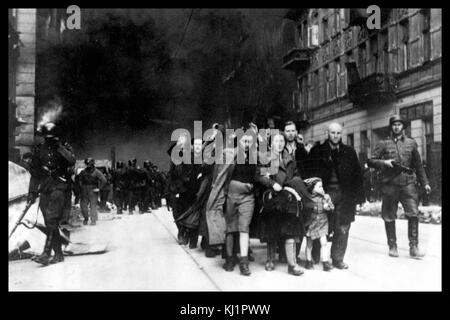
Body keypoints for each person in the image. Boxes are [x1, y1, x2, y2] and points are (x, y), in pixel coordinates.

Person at [367, 115, 431, 258]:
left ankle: (414, 247)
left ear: (403, 127)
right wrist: (384, 163)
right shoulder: (384, 143)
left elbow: (418, 165)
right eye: (394, 124)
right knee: (389, 215)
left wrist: (425, 182)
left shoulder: (411, 143)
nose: (396, 127)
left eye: (399, 124)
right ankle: (392, 246)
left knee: (413, 214)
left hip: (408, 184)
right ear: (391, 127)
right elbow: (370, 160)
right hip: (390, 184)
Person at [304, 122, 364, 269]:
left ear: (341, 134)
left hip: (345, 194)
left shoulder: (349, 152)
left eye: (338, 133)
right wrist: (312, 194)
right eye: (332, 133)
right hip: (323, 194)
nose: (335, 136)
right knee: (320, 224)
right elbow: (308, 174)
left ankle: (337, 258)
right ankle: (316, 254)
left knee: (343, 226)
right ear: (327, 134)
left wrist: (360, 197)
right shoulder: (317, 151)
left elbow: (357, 175)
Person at [256, 133, 305, 276]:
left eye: (282, 141)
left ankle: (292, 264)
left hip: (288, 197)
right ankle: (270, 260)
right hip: (273, 198)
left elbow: (296, 175)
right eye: (276, 141)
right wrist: (272, 183)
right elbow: (259, 175)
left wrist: (293, 186)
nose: (280, 143)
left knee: (291, 230)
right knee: (272, 230)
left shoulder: (290, 159)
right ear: (271, 144)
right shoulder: (267, 158)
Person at [27, 122, 76, 265]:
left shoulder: (63, 148)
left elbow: (71, 161)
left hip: (59, 187)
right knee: (49, 222)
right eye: (47, 136)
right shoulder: (39, 150)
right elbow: (35, 173)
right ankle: (58, 254)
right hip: (45, 188)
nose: (49, 138)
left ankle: (46, 253)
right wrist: (32, 191)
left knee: (51, 219)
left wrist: (59, 146)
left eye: (52, 136)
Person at [221, 132, 257, 276]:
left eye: (250, 141)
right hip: (231, 195)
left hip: (248, 197)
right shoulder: (230, 155)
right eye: (244, 141)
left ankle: (244, 262)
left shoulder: (255, 156)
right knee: (230, 228)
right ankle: (229, 259)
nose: (247, 144)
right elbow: (222, 175)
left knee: (243, 228)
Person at [303, 177, 334, 271]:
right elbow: (305, 209)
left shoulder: (325, 197)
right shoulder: (308, 197)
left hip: (322, 221)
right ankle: (308, 261)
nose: (322, 188)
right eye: (319, 187)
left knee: (324, 242)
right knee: (309, 243)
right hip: (312, 222)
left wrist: (327, 206)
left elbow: (331, 207)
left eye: (322, 186)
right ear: (312, 188)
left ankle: (325, 262)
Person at [78, 158, 107, 225]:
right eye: (87, 164)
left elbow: (104, 180)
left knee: (93, 206)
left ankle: (93, 220)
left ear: (93, 164)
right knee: (83, 206)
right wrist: (81, 187)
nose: (88, 166)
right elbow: (79, 180)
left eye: (90, 164)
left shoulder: (97, 172)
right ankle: (86, 218)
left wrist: (99, 188)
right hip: (84, 190)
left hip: (93, 190)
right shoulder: (83, 172)